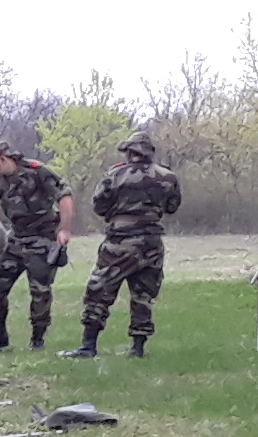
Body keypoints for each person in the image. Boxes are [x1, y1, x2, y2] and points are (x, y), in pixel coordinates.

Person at [75, 132, 184, 357]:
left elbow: (100, 205)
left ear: (130, 152)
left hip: (120, 242)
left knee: (99, 288)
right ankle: (138, 348)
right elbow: (172, 206)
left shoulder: (115, 175)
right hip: (152, 243)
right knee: (143, 295)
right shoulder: (168, 177)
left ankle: (88, 345)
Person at [0, 145, 71, 349]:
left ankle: (37, 339)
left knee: (39, 291)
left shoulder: (37, 171)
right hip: (16, 239)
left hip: (42, 239)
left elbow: (64, 195)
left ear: (2, 158)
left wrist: (64, 229)